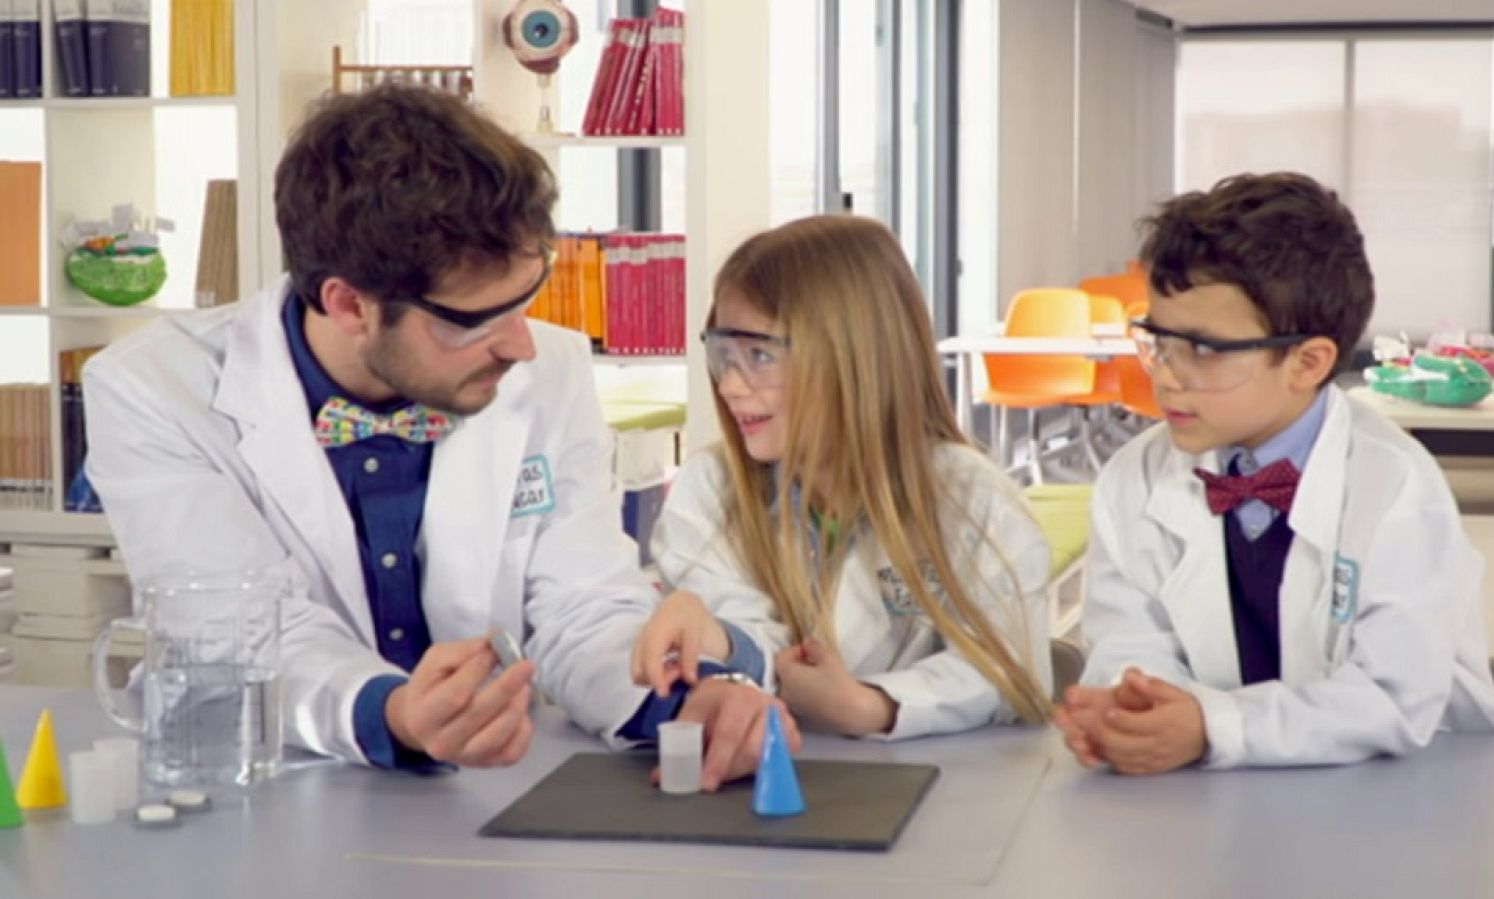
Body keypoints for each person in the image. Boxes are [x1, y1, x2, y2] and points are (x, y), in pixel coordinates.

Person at [85, 85, 794, 785]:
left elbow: (584, 603)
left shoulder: (552, 368)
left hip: (482, 800)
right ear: (349, 305)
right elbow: (234, 630)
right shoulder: (153, 389)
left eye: (526, 300)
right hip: (271, 787)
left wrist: (682, 701)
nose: (520, 346)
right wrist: (391, 713)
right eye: (475, 320)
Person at [1058, 172, 1494, 775]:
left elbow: (1390, 696)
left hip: (1402, 787)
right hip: (1201, 798)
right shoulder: (1134, 477)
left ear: (1307, 362)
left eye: (1203, 349)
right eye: (1159, 341)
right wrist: (1141, 713)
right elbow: (1128, 647)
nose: (1166, 375)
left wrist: (1212, 726)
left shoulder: (1393, 486)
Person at [631, 215, 1053, 739]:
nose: (731, 387)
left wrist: (874, 706)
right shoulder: (710, 489)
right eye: (723, 355)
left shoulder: (972, 498)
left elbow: (1012, 670)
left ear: (854, 359)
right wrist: (721, 639)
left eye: (760, 355)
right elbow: (752, 640)